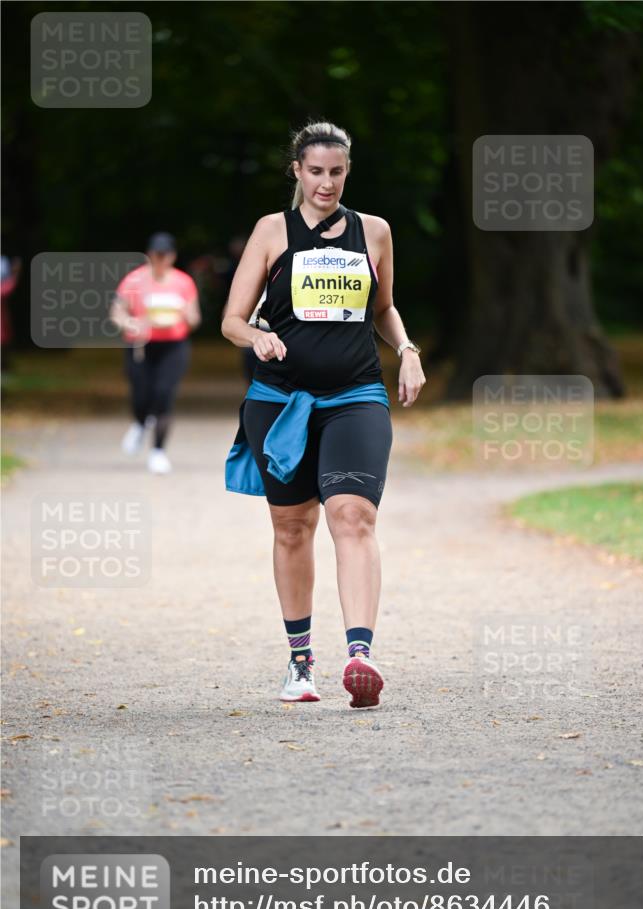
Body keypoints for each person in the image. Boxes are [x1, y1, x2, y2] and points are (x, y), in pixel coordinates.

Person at [222, 122, 425, 707]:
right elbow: (232, 319)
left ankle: (361, 654)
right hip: (280, 400)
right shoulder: (271, 231)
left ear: (347, 171)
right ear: (297, 171)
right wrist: (255, 338)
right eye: (316, 172)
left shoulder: (375, 232)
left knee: (353, 516)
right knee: (292, 529)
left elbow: (383, 307)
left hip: (357, 395)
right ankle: (300, 660)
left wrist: (407, 351)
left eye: (336, 172)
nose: (326, 183)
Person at [110, 233, 201, 474]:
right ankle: (140, 423)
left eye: (165, 255)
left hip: (173, 345)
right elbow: (117, 311)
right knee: (140, 394)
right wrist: (128, 323)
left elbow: (194, 318)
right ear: (150, 254)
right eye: (156, 255)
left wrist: (183, 313)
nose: (160, 259)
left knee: (163, 395)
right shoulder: (134, 280)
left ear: (172, 256)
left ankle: (158, 451)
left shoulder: (183, 282)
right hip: (140, 344)